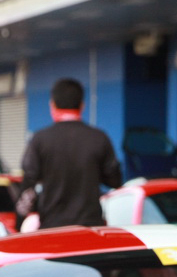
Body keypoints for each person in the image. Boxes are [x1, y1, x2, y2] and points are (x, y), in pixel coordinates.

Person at [19, 78, 122, 228]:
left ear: (52, 105)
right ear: (82, 106)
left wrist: (20, 220)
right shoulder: (99, 138)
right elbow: (115, 180)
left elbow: (28, 181)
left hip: (52, 227)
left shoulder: (40, 139)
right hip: (90, 227)